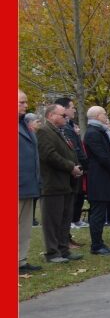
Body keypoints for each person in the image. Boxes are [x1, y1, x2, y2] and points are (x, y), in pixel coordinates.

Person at [36, 104, 84, 263]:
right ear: (51, 115)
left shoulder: (60, 132)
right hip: (53, 183)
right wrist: (71, 167)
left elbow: (69, 151)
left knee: (64, 219)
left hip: (66, 183)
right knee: (52, 220)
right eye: (63, 115)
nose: (66, 117)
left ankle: (64, 249)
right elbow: (49, 155)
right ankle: (52, 252)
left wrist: (76, 167)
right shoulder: (44, 131)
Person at [83, 106, 110, 255]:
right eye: (104, 114)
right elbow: (101, 156)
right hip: (98, 177)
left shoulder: (102, 131)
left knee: (101, 211)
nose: (107, 116)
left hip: (105, 176)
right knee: (98, 213)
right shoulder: (93, 133)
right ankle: (96, 245)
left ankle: (99, 243)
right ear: (98, 116)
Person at [54, 97, 89, 230]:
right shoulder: (65, 129)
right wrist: (83, 163)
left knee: (77, 196)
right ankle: (71, 223)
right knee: (72, 199)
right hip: (72, 168)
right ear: (64, 109)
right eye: (72, 107)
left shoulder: (69, 127)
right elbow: (74, 149)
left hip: (76, 167)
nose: (74, 109)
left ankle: (73, 223)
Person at [18, 89, 42, 273]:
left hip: (28, 184)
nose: (26, 106)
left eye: (25, 102)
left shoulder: (24, 125)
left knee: (25, 226)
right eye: (21, 102)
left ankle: (21, 260)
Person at [24, 113, 42, 227]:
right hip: (28, 173)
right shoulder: (27, 135)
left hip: (36, 172)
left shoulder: (36, 134)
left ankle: (31, 218)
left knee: (34, 197)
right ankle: (29, 219)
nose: (39, 124)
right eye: (37, 122)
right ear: (29, 122)